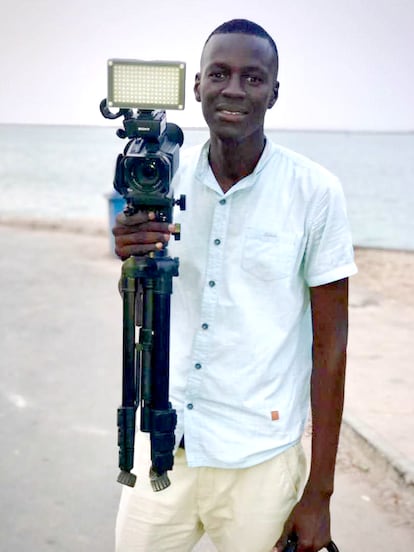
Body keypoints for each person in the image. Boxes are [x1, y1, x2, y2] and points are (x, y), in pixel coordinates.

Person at [113, 18, 357, 552]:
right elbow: (138, 307)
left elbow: (330, 346)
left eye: (253, 77)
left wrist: (320, 493)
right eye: (219, 74)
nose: (234, 90)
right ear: (197, 85)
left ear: (274, 91)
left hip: (260, 460)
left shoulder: (315, 191)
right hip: (164, 443)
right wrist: (127, 256)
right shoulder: (156, 179)